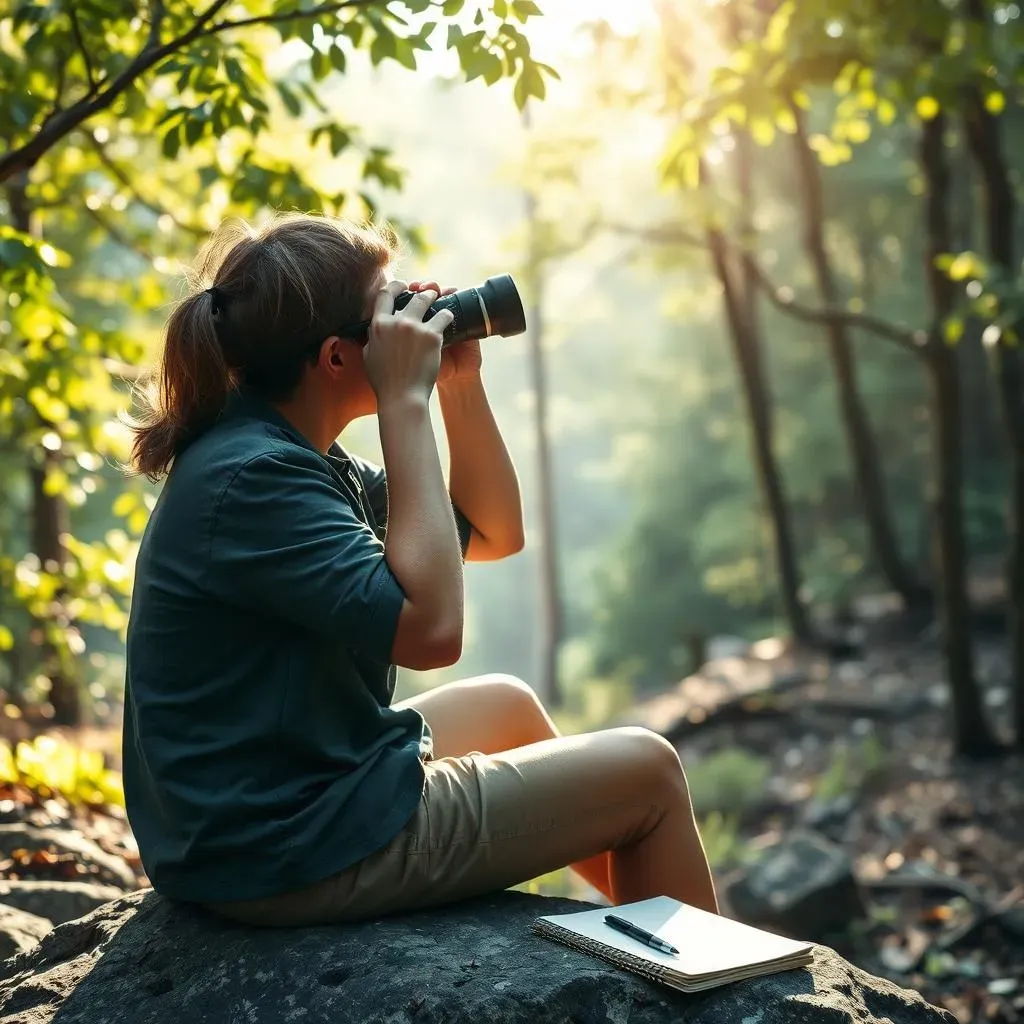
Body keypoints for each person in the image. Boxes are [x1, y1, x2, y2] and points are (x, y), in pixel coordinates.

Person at [123, 213, 718, 927]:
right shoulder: (256, 478)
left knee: (505, 706)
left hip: (284, 799)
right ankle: (713, 981)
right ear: (340, 358)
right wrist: (405, 401)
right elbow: (432, 633)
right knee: (647, 772)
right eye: (390, 307)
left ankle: (651, 921)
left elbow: (494, 532)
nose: (414, 317)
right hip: (286, 846)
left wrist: (457, 387)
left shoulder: (289, 450)